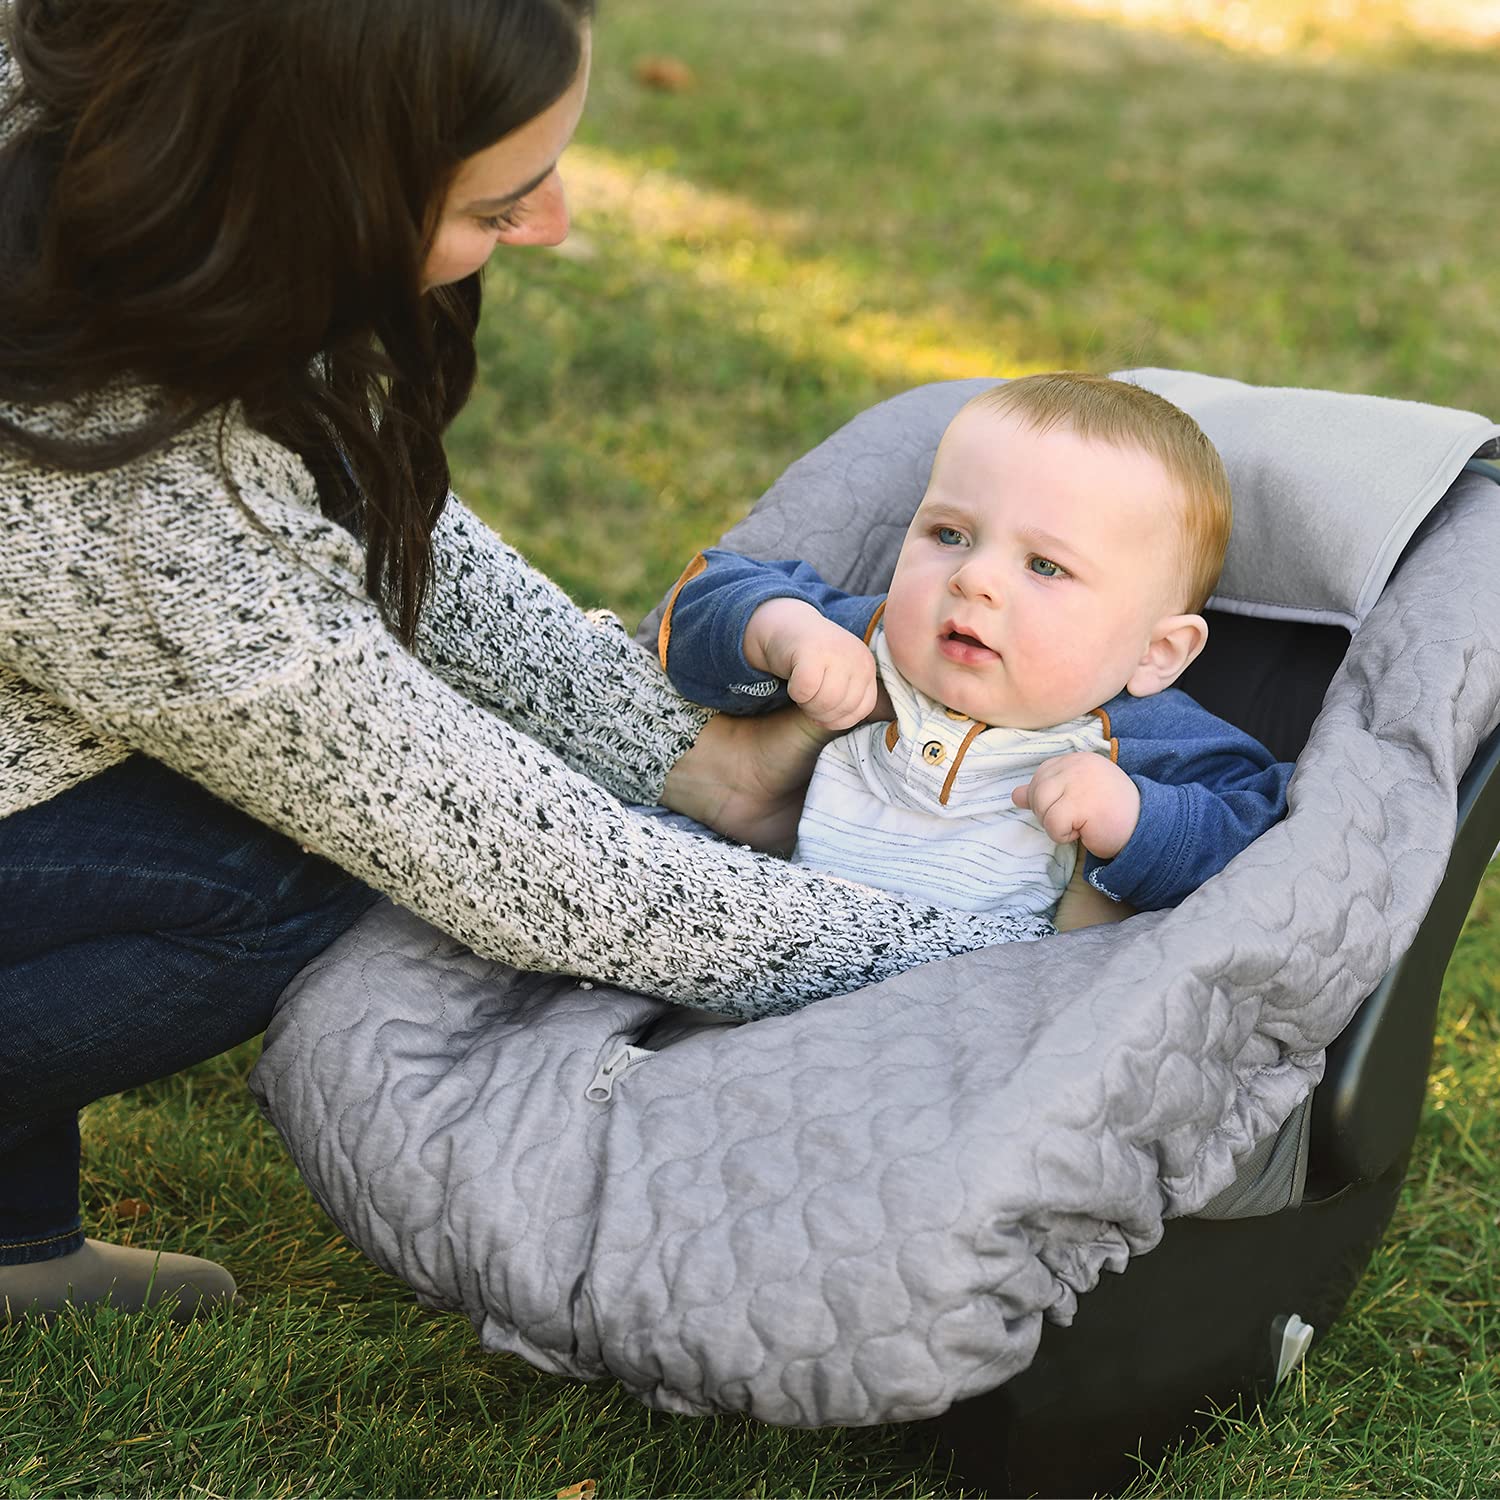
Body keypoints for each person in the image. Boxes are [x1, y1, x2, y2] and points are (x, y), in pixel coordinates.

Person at [0, 0, 1050, 1321]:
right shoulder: (132, 524)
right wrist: (986, 950)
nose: (553, 225)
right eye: (499, 205)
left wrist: (693, 759)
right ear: (315, 180)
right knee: (285, 865)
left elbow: (343, 501)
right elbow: (518, 864)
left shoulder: (131, 135)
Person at [659, 373, 1295, 919]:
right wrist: (781, 630)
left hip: (976, 993)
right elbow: (707, 592)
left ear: (1155, 653)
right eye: (950, 535)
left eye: (1044, 566)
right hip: (790, 926)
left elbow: (1265, 833)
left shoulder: (1145, 738)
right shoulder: (875, 639)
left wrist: (1137, 819)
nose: (973, 578)